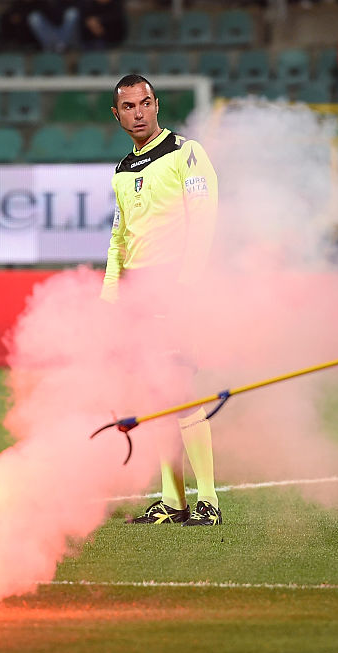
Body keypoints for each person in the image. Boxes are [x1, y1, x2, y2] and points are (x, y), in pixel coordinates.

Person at [103, 74, 222, 527]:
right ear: (117, 115)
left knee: (180, 390)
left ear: (157, 104)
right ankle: (173, 501)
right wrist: (110, 299)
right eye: (128, 107)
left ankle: (208, 500)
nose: (138, 113)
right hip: (136, 293)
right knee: (151, 395)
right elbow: (118, 239)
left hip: (175, 287)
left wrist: (186, 288)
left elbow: (204, 221)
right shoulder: (122, 170)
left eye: (145, 103)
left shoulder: (186, 153)